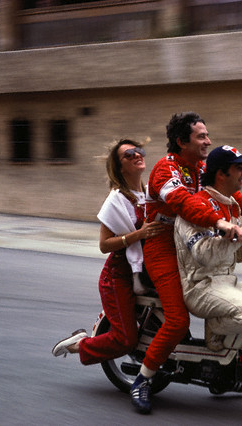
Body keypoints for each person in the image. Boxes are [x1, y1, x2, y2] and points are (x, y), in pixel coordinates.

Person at [132, 112, 242, 414]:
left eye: (207, 135)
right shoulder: (164, 171)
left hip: (196, 241)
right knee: (178, 321)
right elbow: (184, 203)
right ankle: (143, 379)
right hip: (162, 247)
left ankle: (222, 366)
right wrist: (219, 222)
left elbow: (235, 198)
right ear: (182, 142)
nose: (208, 140)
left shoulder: (202, 166)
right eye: (201, 136)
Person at [51, 139, 165, 364]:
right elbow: (104, 245)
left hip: (149, 270)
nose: (136, 155)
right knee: (126, 340)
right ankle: (79, 344)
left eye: (138, 151)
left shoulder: (150, 193)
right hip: (118, 276)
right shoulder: (116, 200)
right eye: (128, 154)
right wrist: (138, 235)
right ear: (120, 167)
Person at [174, 145, 242, 354]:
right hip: (201, 287)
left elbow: (234, 255)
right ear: (221, 174)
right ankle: (215, 327)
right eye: (239, 168)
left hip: (227, 283)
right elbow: (204, 255)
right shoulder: (194, 208)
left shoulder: (229, 205)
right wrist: (240, 236)